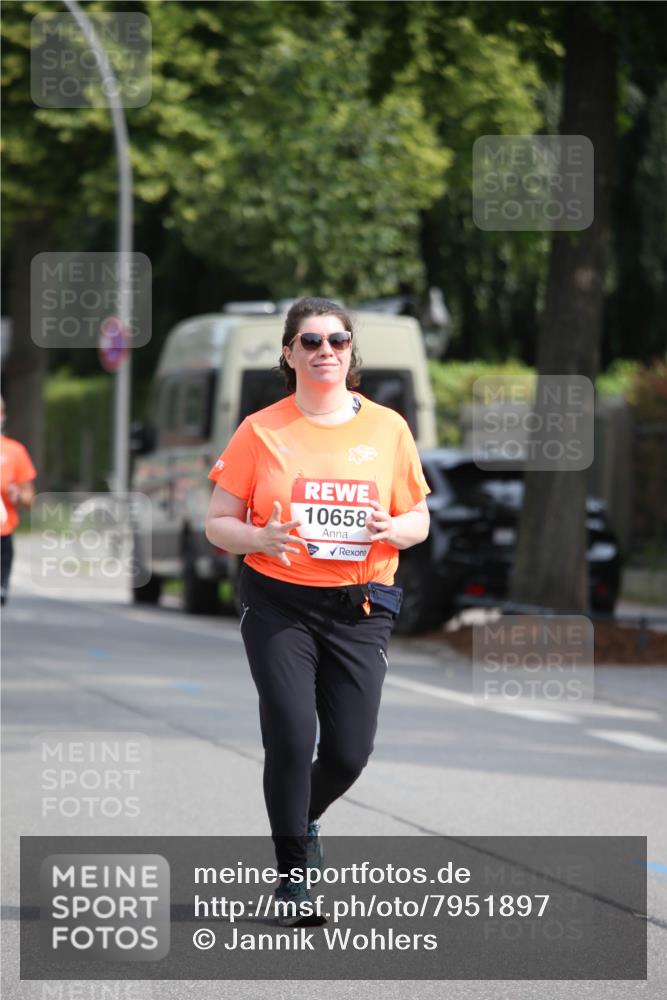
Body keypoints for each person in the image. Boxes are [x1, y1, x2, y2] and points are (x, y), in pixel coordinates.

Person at [205, 297, 430, 925]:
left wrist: (398, 526)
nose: (324, 350)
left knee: (349, 752)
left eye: (337, 340)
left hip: (361, 604)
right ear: (289, 353)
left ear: (352, 351)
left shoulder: (388, 429)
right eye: (310, 341)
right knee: (291, 733)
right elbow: (218, 523)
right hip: (278, 600)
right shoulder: (260, 430)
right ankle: (293, 878)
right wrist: (259, 539)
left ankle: (306, 812)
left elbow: (420, 515)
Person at [0, 396, 37, 606]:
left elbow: (30, 497)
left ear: (3, 416)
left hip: (3, 534)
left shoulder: (15, 451)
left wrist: (18, 496)